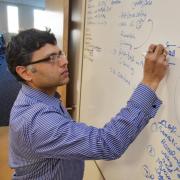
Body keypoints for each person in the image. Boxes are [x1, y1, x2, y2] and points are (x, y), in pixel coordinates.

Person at [6, 28, 168, 180]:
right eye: (51, 59)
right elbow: (108, 143)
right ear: (25, 72)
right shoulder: (37, 121)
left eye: (60, 54)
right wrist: (150, 82)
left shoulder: (42, 97)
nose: (65, 61)